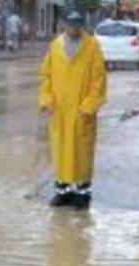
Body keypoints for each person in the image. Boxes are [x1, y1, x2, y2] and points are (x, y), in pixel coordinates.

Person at [38, 11, 108, 210]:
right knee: (61, 153)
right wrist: (47, 99)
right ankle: (63, 192)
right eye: (70, 25)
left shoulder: (92, 47)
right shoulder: (55, 46)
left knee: (82, 154)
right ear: (64, 25)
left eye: (77, 25)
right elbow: (46, 76)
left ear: (82, 25)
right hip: (60, 111)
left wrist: (88, 107)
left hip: (81, 112)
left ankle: (83, 194)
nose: (73, 29)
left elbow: (99, 80)